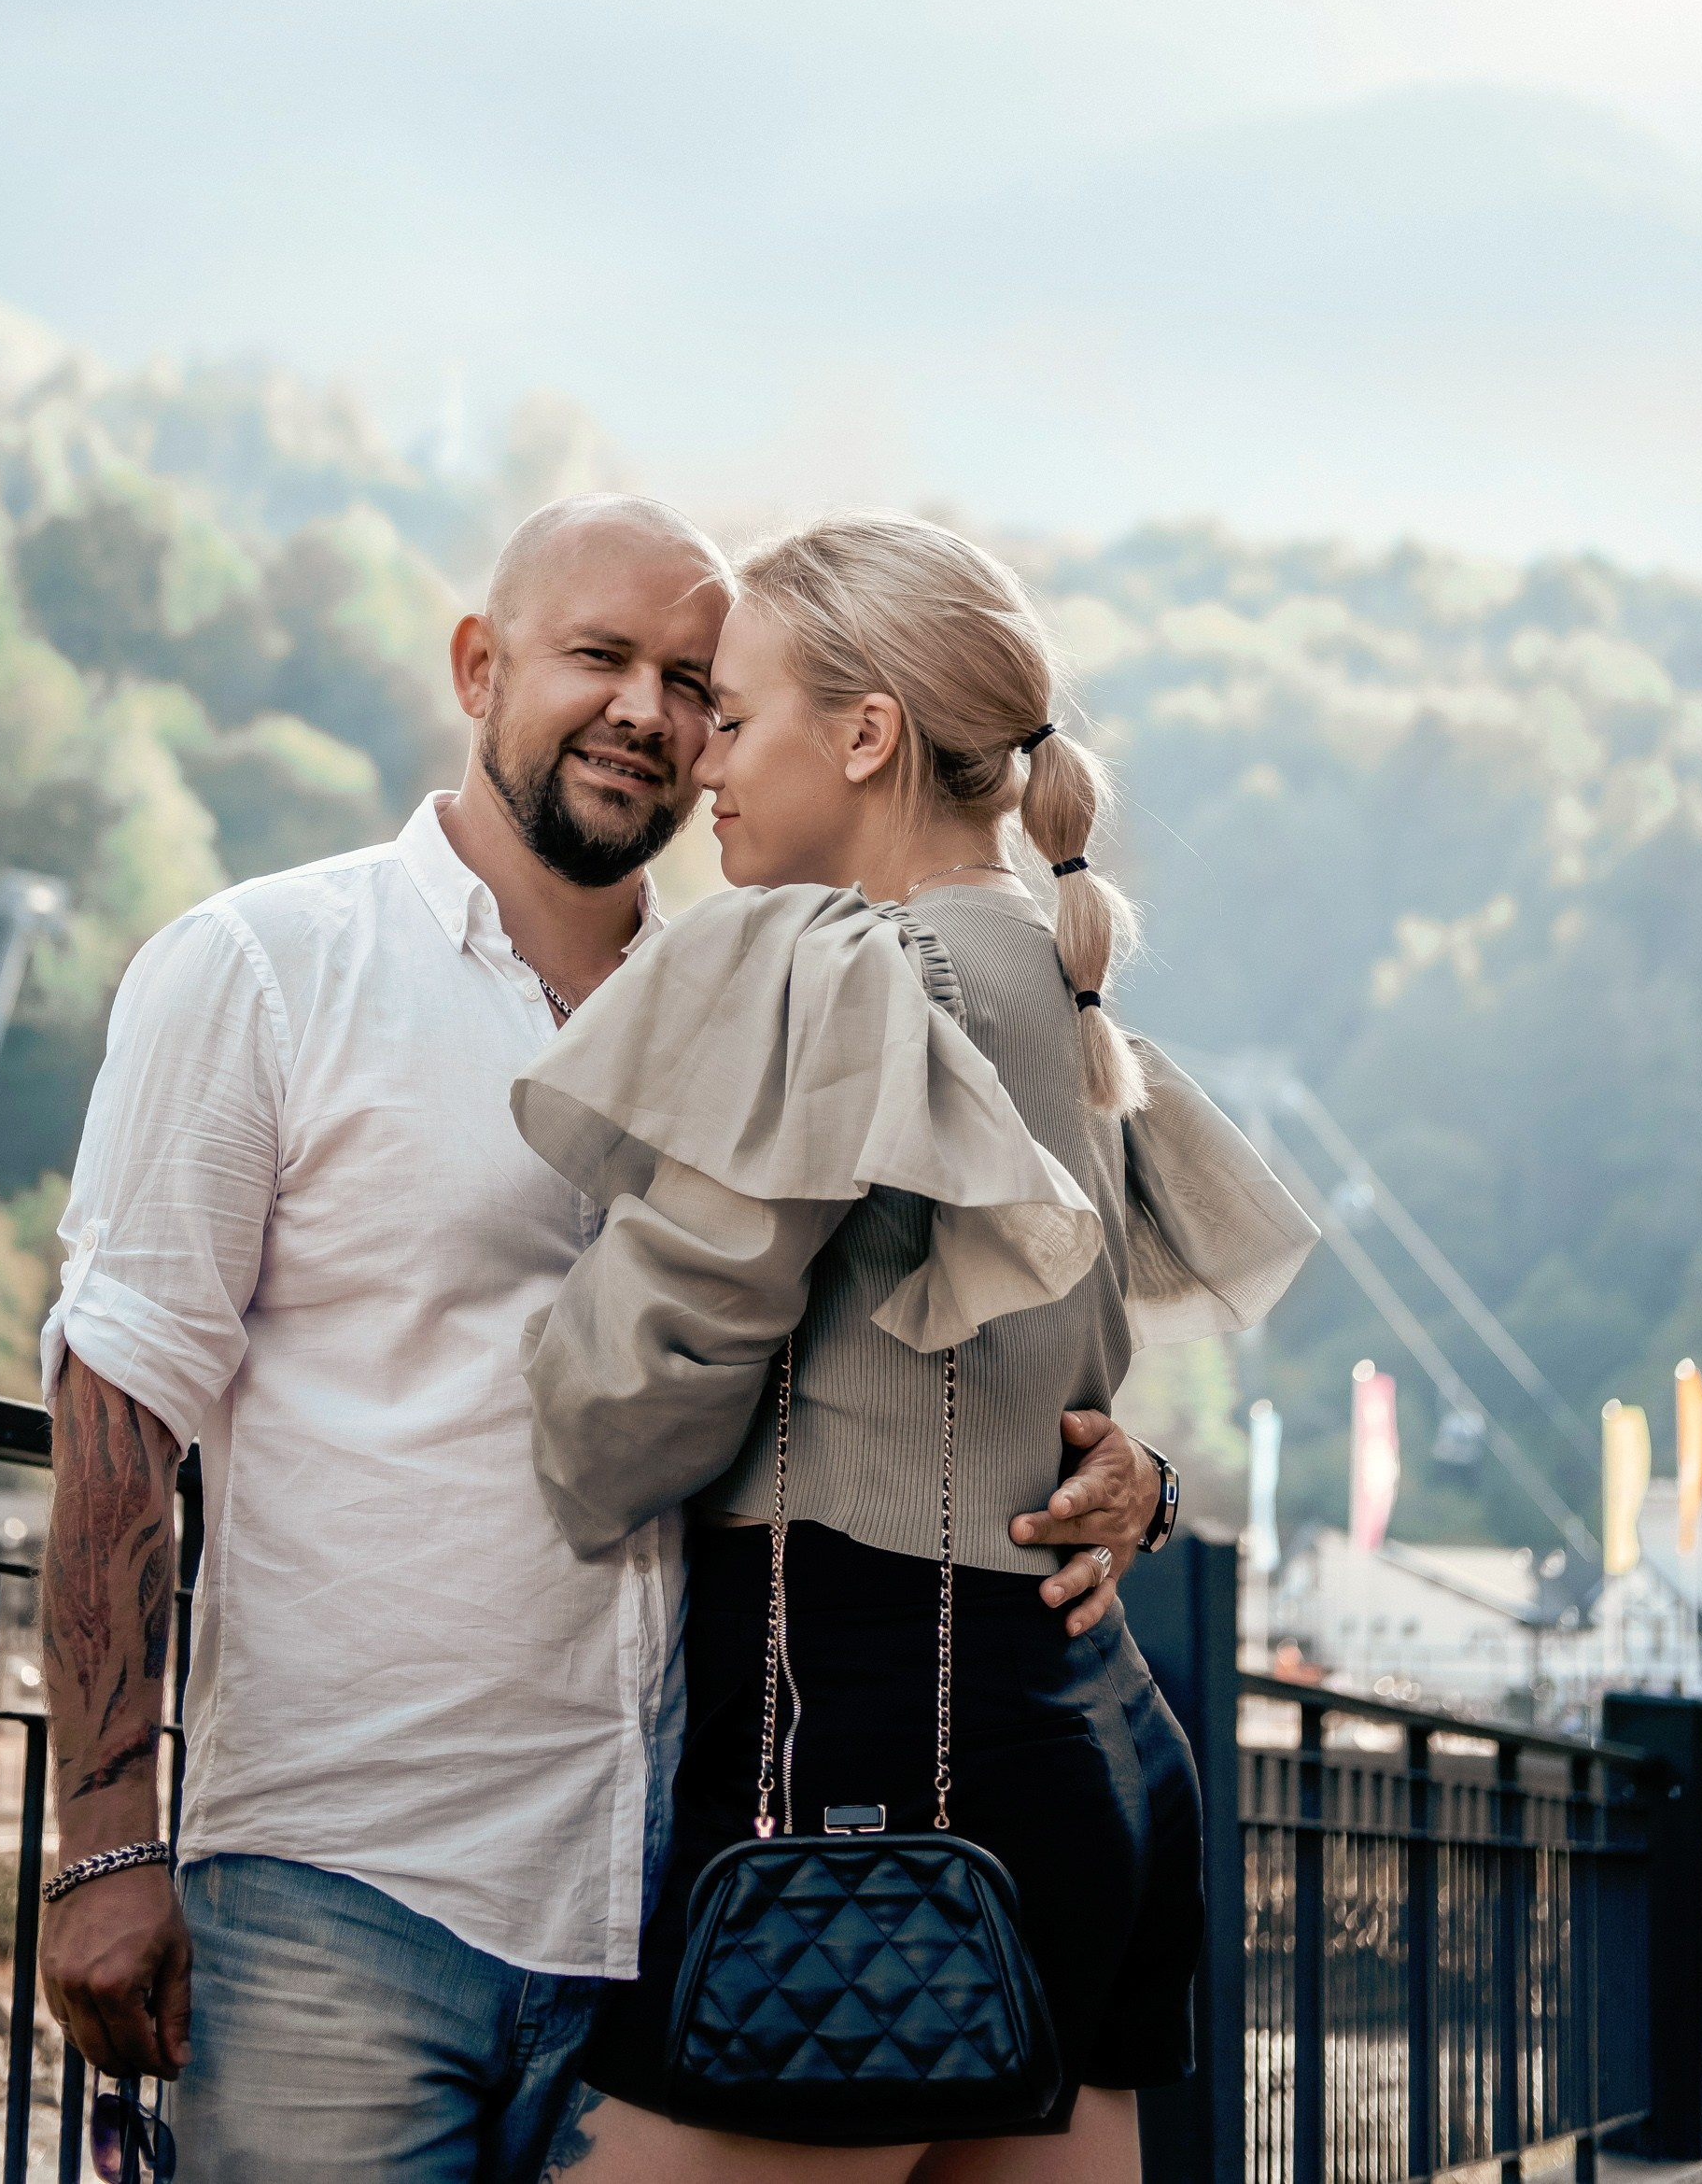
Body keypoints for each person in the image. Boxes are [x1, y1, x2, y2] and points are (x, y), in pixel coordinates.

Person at [34, 495, 1154, 2184]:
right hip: (353, 1892)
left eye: (696, 680)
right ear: (480, 666)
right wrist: (101, 1848)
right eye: (597, 656)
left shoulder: (787, 984)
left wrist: (1118, 1475)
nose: (651, 709)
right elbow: (120, 1403)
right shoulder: (265, 966)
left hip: (686, 1884)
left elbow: (952, 1339)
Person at [513, 514, 1318, 2182]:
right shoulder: (1060, 989)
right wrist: (1143, 1488)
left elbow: (609, 1426)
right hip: (1089, 1747)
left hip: (860, 1747)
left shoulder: (841, 975)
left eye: (736, 716)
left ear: (866, 732)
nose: (700, 762)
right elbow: (1066, 1394)